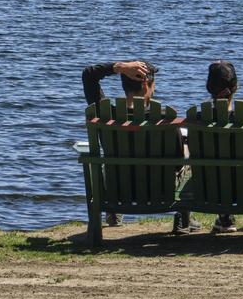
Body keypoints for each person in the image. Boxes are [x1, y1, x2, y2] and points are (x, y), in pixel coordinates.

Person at [80, 59, 199, 234]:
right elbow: (178, 163)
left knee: (111, 162)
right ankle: (185, 217)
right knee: (188, 155)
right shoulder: (165, 120)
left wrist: (119, 68)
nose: (155, 89)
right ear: (145, 85)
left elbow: (88, 75)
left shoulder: (104, 114)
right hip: (161, 190)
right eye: (154, 85)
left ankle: (114, 212)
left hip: (116, 189)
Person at [205, 59, 239, 234]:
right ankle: (226, 217)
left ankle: (224, 217)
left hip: (205, 189)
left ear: (208, 88)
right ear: (236, 87)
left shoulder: (197, 120)